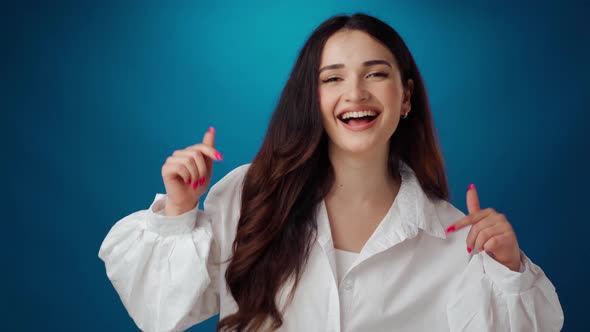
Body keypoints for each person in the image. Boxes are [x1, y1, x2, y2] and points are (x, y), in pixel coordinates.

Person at [98, 13, 564, 332]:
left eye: (376, 74)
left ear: (405, 98)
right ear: (312, 99)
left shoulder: (455, 239)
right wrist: (180, 211)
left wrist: (508, 270)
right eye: (332, 77)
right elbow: (160, 313)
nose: (355, 92)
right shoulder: (250, 195)